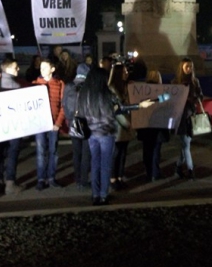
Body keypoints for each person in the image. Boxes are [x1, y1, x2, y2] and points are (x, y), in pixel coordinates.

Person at [78, 67, 153, 205]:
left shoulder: (84, 93)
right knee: (105, 165)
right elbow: (120, 109)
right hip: (107, 133)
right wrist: (140, 105)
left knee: (95, 164)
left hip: (92, 134)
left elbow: (80, 114)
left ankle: (95, 195)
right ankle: (103, 195)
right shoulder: (107, 94)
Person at [0, 58, 23, 194]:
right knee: (12, 153)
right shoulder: (16, 85)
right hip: (13, 125)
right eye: (15, 67)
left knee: (0, 153)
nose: (18, 69)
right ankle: (10, 182)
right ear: (7, 69)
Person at [33, 59, 66, 190]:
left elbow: (63, 105)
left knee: (53, 151)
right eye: (41, 67)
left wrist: (58, 123)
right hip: (39, 125)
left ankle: (51, 177)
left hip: (53, 124)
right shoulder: (35, 84)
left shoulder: (60, 84)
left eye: (45, 67)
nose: (42, 70)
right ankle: (41, 179)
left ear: (52, 69)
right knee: (41, 151)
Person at [171, 57, 204, 180]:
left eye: (191, 67)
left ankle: (178, 167)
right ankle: (190, 170)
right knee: (186, 146)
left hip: (191, 116)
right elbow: (170, 98)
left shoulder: (195, 82)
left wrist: (195, 98)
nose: (189, 69)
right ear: (182, 68)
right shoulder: (175, 82)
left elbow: (201, 96)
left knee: (185, 145)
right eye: (187, 67)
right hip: (180, 118)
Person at [137, 69, 170, 182]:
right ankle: (155, 173)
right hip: (158, 124)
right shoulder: (161, 90)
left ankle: (148, 172)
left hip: (146, 124)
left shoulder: (143, 90)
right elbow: (166, 101)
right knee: (156, 149)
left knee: (147, 149)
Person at [62, 77, 91, 190]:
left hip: (73, 124)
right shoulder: (88, 87)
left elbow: (64, 104)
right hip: (86, 124)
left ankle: (77, 179)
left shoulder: (69, 87)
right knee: (86, 154)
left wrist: (69, 120)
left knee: (76, 153)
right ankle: (83, 181)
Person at [109, 63, 135, 189]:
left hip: (126, 126)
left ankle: (119, 176)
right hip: (118, 127)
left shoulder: (125, 87)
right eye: (124, 71)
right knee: (116, 153)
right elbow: (116, 110)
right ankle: (113, 179)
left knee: (123, 152)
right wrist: (127, 123)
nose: (126, 73)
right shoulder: (112, 89)